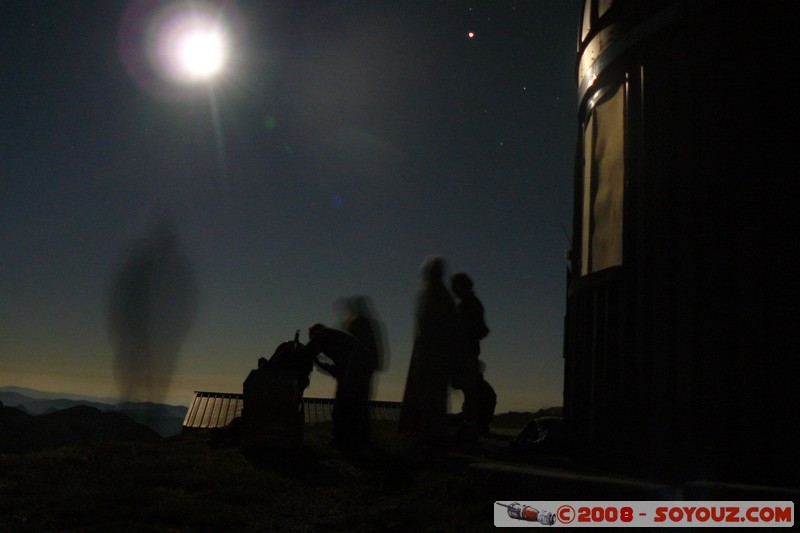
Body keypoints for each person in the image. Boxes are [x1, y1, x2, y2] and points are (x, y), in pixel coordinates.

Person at [399, 256, 459, 450]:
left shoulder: (434, 294)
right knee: (434, 396)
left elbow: (431, 328)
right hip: (436, 355)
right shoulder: (441, 295)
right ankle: (433, 433)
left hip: (432, 355)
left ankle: (433, 435)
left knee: (432, 396)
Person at [305, 323, 375, 451]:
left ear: (314, 334)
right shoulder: (336, 340)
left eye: (311, 337)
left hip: (357, 364)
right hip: (364, 363)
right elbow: (339, 370)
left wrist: (311, 359)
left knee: (344, 402)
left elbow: (307, 352)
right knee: (356, 402)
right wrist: (322, 365)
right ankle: (356, 438)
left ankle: (342, 439)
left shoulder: (321, 335)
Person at [450, 272, 491, 441]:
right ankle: (470, 425)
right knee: (469, 390)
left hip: (465, 354)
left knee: (469, 390)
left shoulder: (469, 305)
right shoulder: (471, 304)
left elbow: (479, 329)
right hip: (467, 353)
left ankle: (470, 426)